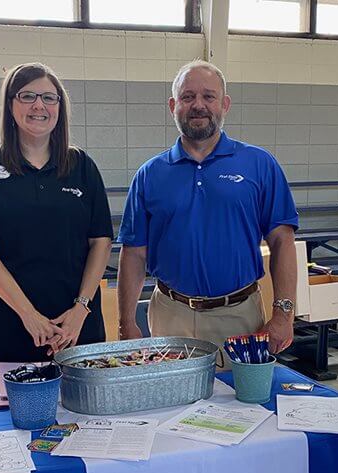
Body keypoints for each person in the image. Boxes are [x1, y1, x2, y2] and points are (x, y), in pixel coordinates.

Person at [117, 60, 298, 363]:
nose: (198, 105)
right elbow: (134, 253)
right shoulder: (150, 174)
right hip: (169, 316)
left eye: (208, 96)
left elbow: (282, 241)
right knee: (169, 405)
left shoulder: (259, 164)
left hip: (239, 316)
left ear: (224, 104)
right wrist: (126, 323)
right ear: (173, 105)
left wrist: (283, 314)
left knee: (242, 408)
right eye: (188, 97)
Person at [0, 62, 113, 396]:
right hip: (11, 326)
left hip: (75, 328)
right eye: (27, 96)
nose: (38, 105)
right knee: (21, 431)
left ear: (60, 107)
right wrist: (29, 315)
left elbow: (101, 241)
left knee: (81, 426)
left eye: (49, 98)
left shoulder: (81, 166)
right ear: (11, 105)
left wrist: (80, 309)